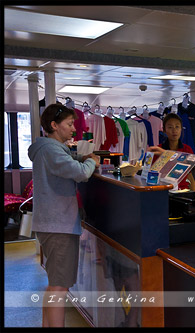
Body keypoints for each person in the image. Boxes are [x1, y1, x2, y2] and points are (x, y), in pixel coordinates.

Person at [28, 104, 100, 327]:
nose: (73, 130)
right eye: (69, 124)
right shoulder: (51, 150)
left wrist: (80, 158)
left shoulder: (47, 149)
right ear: (53, 125)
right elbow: (80, 173)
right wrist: (92, 161)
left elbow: (67, 165)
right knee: (60, 287)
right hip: (58, 225)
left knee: (54, 285)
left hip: (52, 223)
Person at [147, 113, 195, 191]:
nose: (174, 130)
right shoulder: (158, 150)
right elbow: (152, 175)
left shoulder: (187, 149)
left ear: (181, 129)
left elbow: (190, 174)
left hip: (182, 191)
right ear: (164, 130)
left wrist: (194, 193)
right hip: (163, 191)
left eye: (177, 127)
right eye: (170, 127)